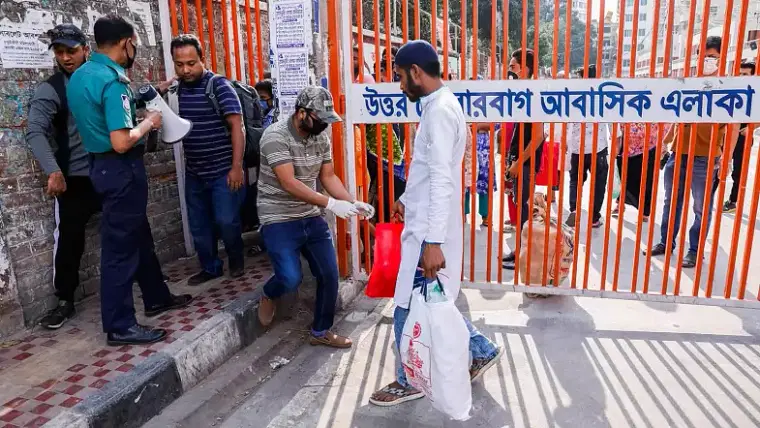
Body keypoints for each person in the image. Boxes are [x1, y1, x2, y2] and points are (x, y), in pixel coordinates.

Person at [369, 40, 502, 407]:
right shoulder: (437, 108)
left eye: (399, 77)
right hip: (424, 222)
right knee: (428, 299)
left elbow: (443, 179)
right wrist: (405, 199)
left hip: (430, 231)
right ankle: (479, 349)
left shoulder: (441, 111)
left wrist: (432, 242)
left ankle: (408, 379)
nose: (398, 86)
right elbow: (427, 172)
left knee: (406, 306)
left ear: (415, 72)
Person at [67, 15, 191, 345]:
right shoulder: (114, 82)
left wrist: (144, 95)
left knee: (138, 236)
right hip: (121, 168)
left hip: (101, 167)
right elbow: (122, 140)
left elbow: (100, 108)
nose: (133, 49)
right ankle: (120, 325)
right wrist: (149, 122)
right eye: (133, 43)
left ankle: (156, 296)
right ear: (125, 42)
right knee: (120, 250)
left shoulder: (81, 76)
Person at [256, 86, 374, 348]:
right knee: (289, 278)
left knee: (329, 274)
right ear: (301, 113)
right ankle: (268, 293)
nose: (324, 125)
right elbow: (289, 183)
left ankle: (320, 331)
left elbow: (328, 176)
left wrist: (351, 202)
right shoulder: (275, 136)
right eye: (320, 119)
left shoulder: (320, 137)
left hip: (310, 214)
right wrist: (332, 204)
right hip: (277, 216)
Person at [26, 24, 99, 329]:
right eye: (59, 52)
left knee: (133, 225)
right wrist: (53, 170)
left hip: (108, 171)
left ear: (86, 49)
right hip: (75, 179)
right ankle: (65, 300)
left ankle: (149, 282)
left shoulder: (100, 79)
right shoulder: (52, 89)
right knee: (69, 240)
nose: (66, 57)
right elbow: (34, 131)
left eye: (71, 50)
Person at [167, 34, 247, 285]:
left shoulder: (219, 86)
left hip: (223, 170)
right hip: (195, 171)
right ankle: (211, 267)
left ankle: (236, 259)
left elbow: (238, 127)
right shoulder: (176, 88)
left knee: (226, 220)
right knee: (199, 225)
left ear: (202, 59)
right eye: (179, 64)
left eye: (191, 63)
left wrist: (236, 167)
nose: (185, 69)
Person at [646, 36, 728, 269]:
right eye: (704, 56)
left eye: (712, 57)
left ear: (721, 59)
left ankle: (694, 250)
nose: (708, 61)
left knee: (701, 207)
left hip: (705, 155)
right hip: (678, 153)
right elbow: (678, 115)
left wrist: (726, 157)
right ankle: (666, 242)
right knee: (671, 202)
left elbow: (731, 127)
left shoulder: (726, 87)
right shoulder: (689, 83)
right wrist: (666, 140)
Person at [502, 48, 545, 270]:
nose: (510, 71)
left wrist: (519, 163)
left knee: (526, 212)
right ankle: (519, 249)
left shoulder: (534, 94)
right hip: (519, 162)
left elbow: (539, 136)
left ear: (524, 68)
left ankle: (526, 257)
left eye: (513, 67)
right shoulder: (523, 93)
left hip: (526, 165)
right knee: (519, 210)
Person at [565, 65, 610, 229]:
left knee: (575, 181)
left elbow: (567, 121)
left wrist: (566, 142)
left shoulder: (574, 96)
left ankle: (574, 209)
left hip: (577, 147)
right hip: (598, 148)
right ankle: (594, 218)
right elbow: (613, 120)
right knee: (598, 183)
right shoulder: (603, 96)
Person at [613, 123, 671, 222]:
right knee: (624, 177)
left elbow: (666, 122)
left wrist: (663, 144)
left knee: (647, 180)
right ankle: (620, 203)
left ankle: (645, 212)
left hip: (650, 144)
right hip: (627, 144)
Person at [722, 61, 756, 213]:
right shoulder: (733, 90)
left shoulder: (755, 93)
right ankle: (707, 198)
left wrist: (750, 128)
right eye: (740, 73)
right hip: (727, 136)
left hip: (743, 138)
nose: (742, 76)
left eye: (746, 74)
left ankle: (733, 201)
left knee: (738, 172)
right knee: (719, 165)